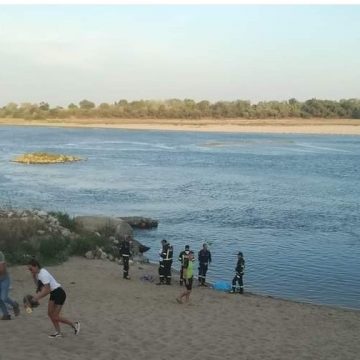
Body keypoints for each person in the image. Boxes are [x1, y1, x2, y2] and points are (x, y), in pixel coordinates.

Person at [27, 258, 80, 338]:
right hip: (54, 293)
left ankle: (74, 325)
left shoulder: (43, 274)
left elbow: (47, 290)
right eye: (29, 269)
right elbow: (39, 287)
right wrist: (34, 277)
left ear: (36, 266)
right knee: (50, 314)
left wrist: (36, 298)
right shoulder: (39, 274)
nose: (30, 271)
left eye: (31, 269)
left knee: (55, 316)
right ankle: (58, 332)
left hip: (59, 293)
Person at [0, 251, 20, 320]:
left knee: (4, 298)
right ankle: (6, 315)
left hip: (4, 279)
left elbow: (2, 269)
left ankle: (15, 305)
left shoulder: (0, 254)